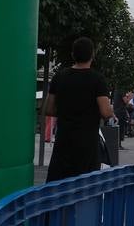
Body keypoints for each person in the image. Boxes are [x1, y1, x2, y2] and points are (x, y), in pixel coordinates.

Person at [44, 37, 114, 182]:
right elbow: (106, 113)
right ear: (92, 55)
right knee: (85, 186)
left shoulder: (60, 76)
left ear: (72, 55)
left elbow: (49, 109)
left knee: (59, 185)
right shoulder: (97, 79)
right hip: (87, 143)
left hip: (63, 140)